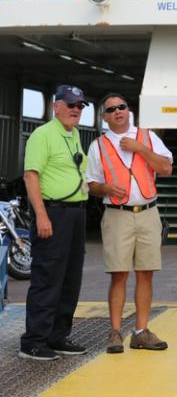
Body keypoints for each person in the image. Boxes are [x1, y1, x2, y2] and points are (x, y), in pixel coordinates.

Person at [86, 94, 173, 354]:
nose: (117, 112)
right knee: (119, 274)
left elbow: (166, 168)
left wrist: (140, 149)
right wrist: (104, 188)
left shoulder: (147, 137)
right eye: (111, 110)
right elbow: (91, 185)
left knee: (146, 272)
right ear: (105, 117)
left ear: (129, 110)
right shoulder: (97, 146)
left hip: (148, 212)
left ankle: (141, 332)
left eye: (121, 107)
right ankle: (115, 333)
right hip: (116, 214)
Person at [19, 85, 89, 361]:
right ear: (55, 106)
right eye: (70, 104)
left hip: (75, 214)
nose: (75, 110)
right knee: (47, 278)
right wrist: (42, 216)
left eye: (80, 106)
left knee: (70, 278)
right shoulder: (43, 135)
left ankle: (58, 336)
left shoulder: (74, 136)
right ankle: (33, 341)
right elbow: (31, 176)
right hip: (53, 213)